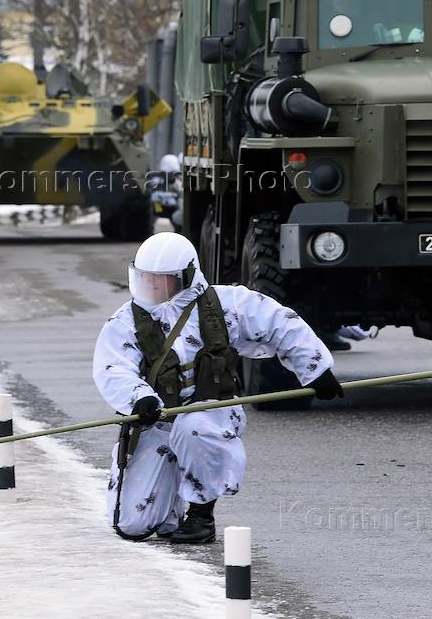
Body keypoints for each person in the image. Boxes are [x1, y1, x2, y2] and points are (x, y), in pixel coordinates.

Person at [92, 232, 342, 544]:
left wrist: (316, 369)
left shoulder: (225, 304)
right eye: (146, 279)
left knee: (193, 428)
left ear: (185, 278)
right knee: (133, 525)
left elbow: (281, 322)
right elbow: (113, 367)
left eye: (161, 280)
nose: (152, 287)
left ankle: (201, 514)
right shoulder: (125, 321)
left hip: (211, 413)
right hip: (158, 419)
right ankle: (169, 503)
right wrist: (139, 398)